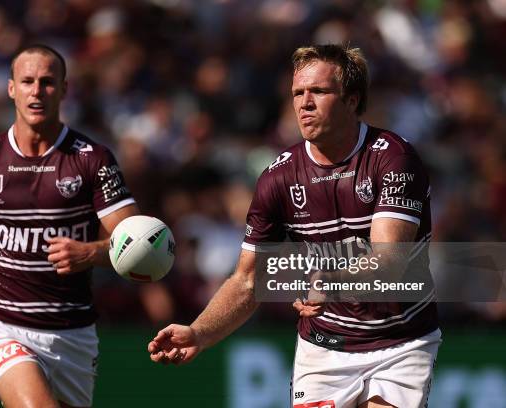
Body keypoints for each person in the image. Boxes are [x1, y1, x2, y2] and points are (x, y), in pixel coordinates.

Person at [148, 44, 440, 408]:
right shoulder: (278, 177)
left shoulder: (394, 158)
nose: (304, 103)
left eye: (318, 91)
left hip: (400, 340)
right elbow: (248, 280)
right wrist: (199, 332)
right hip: (324, 346)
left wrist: (328, 281)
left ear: (351, 100)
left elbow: (389, 260)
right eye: (298, 93)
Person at [0, 44, 139, 408]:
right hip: (5, 328)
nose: (37, 91)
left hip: (75, 335)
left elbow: (132, 239)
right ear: (11, 88)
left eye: (48, 82)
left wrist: (92, 253)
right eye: (27, 81)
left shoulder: (92, 160)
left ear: (65, 90)